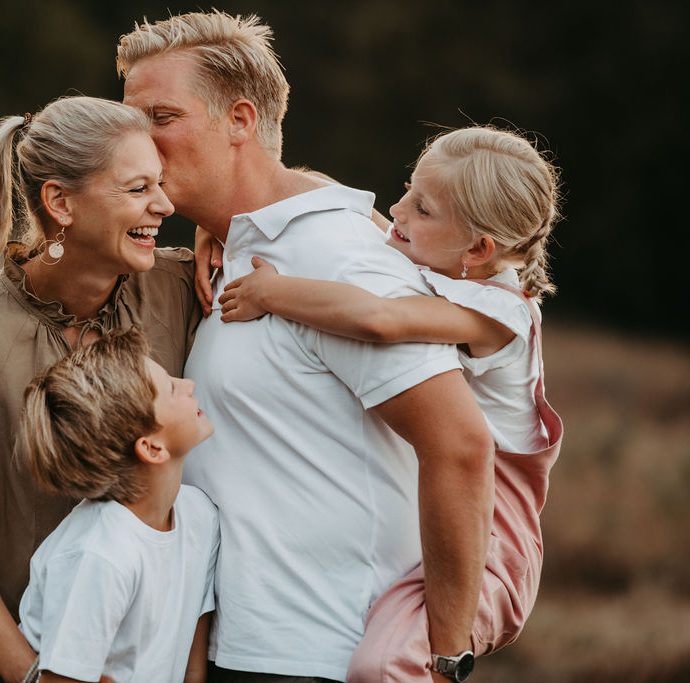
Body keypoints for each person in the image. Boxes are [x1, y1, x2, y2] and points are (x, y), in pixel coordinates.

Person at [118, 11, 495, 683]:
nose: (137, 143)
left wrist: (446, 660)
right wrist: (221, 229)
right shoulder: (251, 243)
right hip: (239, 648)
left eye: (161, 116)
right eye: (130, 119)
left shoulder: (337, 256)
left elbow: (461, 444)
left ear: (240, 120)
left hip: (323, 656)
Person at [218, 126, 565, 682]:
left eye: (421, 207)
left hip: (494, 537)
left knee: (385, 667)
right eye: (407, 189)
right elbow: (345, 203)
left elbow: (383, 320)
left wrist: (271, 293)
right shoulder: (448, 264)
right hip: (460, 523)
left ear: (479, 249)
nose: (396, 210)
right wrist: (237, 225)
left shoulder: (502, 313)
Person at [0, 96, 201, 683]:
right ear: (60, 202)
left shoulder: (177, 290)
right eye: (136, 189)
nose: (165, 204)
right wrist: (30, 672)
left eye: (160, 183)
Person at [16, 327, 219, 683]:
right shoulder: (99, 555)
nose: (187, 385)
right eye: (172, 388)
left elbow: (192, 663)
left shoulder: (200, 517)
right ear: (152, 448)